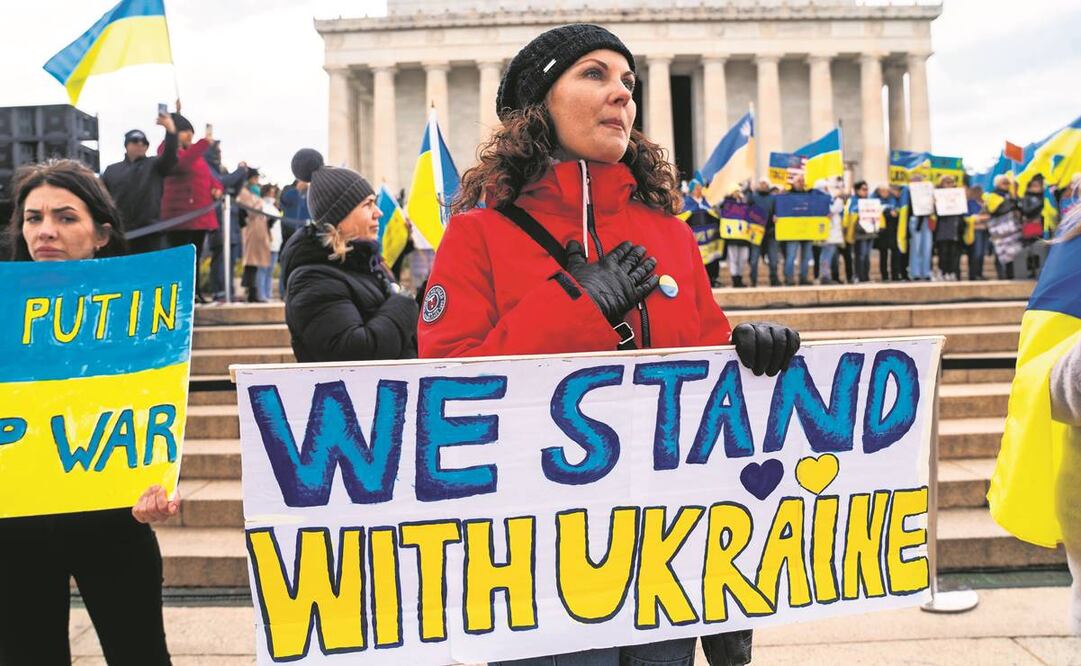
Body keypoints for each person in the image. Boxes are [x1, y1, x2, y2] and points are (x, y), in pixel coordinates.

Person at [418, 24, 801, 666]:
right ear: (538, 106)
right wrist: (575, 307)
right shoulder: (477, 236)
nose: (622, 93)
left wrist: (750, 361)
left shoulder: (671, 236)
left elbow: (708, 420)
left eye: (627, 80)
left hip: (665, 567)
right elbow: (450, 395)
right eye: (593, 75)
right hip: (537, 569)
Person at [2, 159, 180, 665]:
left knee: (139, 653)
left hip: (112, 516)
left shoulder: (145, 315)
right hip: (16, 523)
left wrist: (162, 476)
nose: (45, 232)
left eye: (64, 217)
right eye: (33, 218)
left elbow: (158, 412)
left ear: (102, 233)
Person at [280, 148, 419, 362]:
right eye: (367, 205)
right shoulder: (312, 280)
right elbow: (353, 353)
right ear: (339, 217)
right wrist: (404, 305)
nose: (378, 213)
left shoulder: (362, 263)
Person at [160, 113, 220, 301]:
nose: (190, 137)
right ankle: (181, 294)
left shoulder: (195, 155)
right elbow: (180, 166)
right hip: (180, 217)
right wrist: (202, 144)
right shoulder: (167, 150)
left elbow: (208, 177)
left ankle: (195, 292)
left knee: (196, 256)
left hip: (199, 216)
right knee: (181, 258)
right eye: (186, 132)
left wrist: (217, 187)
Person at [101, 112, 178, 254]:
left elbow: (170, 156)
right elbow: (101, 199)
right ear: (126, 145)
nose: (140, 144)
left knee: (151, 274)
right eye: (135, 140)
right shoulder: (112, 170)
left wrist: (171, 131)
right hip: (121, 234)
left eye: (144, 142)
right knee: (123, 273)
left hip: (150, 234)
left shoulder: (155, 165)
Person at [779, 175, 813, 286]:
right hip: (792, 231)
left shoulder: (810, 195)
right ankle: (789, 278)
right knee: (791, 256)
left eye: (802, 181)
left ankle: (803, 278)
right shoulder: (786, 195)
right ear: (793, 183)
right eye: (798, 181)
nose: (801, 183)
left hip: (806, 230)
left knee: (806, 256)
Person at [984, 174, 1021, 279]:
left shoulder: (1011, 195)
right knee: (1000, 254)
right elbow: (997, 210)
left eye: (1007, 182)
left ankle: (1011, 275)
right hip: (998, 231)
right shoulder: (992, 196)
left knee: (1012, 253)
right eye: (1004, 182)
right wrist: (1011, 203)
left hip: (1012, 230)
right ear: (997, 184)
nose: (1006, 184)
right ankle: (1001, 276)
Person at [931, 175, 965, 281]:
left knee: (954, 252)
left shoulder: (958, 195)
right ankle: (943, 271)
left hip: (955, 228)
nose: (949, 184)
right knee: (943, 252)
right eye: (946, 182)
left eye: (951, 182)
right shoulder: (937, 195)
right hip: (942, 228)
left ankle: (952, 272)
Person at [747, 179, 779, 286]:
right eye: (761, 183)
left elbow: (777, 211)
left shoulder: (773, 198)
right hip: (756, 232)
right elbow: (746, 209)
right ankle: (753, 280)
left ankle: (774, 279)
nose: (763, 185)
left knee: (773, 259)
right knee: (754, 259)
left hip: (770, 232)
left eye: (765, 183)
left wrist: (776, 217)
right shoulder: (753, 197)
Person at [844, 180, 878, 283]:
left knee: (867, 256)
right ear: (857, 190)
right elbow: (848, 216)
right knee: (860, 255)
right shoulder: (853, 201)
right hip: (859, 233)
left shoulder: (870, 201)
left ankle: (866, 276)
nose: (866, 192)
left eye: (867, 189)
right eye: (863, 189)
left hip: (870, 232)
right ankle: (859, 276)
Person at [906, 174, 934, 281]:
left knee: (927, 247)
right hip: (915, 219)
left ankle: (926, 272)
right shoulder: (908, 192)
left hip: (926, 219)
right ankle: (915, 272)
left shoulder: (928, 193)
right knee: (915, 247)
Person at [817, 179, 845, 285]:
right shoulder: (823, 200)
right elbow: (832, 210)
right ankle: (825, 276)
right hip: (827, 232)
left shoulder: (829, 199)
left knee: (831, 256)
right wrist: (838, 199)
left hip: (833, 233)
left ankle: (830, 276)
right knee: (826, 255)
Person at [259, 184, 283, 302]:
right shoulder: (261, 205)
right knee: (263, 270)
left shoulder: (274, 207)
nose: (272, 194)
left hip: (275, 243)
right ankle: (261, 294)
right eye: (270, 192)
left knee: (270, 271)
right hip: (265, 242)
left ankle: (267, 294)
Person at [874, 184, 902, 281]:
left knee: (895, 253)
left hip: (893, 230)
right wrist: (887, 211)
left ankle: (895, 274)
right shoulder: (874, 199)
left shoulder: (893, 199)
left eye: (886, 191)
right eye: (882, 191)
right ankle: (884, 275)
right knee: (883, 254)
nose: (885, 193)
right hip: (882, 232)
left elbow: (898, 210)